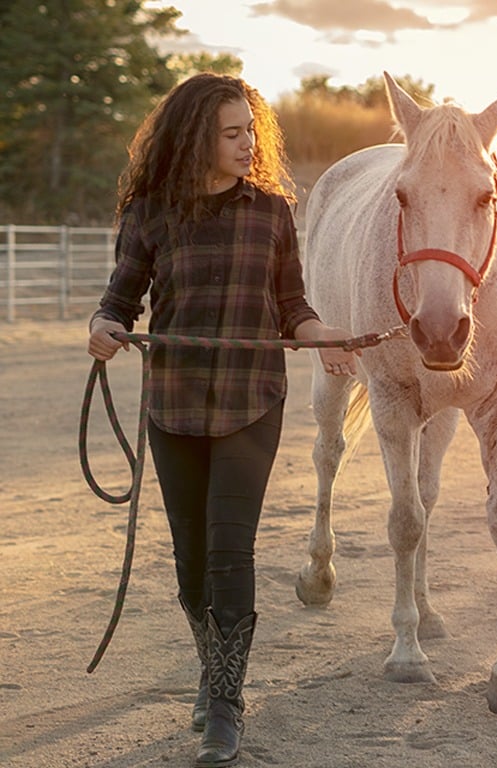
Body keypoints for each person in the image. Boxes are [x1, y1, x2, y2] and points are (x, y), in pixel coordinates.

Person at [87, 73, 359, 768]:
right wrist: (104, 326)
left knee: (230, 548)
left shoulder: (271, 212)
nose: (248, 144)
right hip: (173, 405)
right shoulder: (151, 212)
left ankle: (226, 704)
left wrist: (321, 334)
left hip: (249, 403)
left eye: (252, 132)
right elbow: (120, 299)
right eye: (231, 133)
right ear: (195, 138)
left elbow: (292, 304)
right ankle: (213, 675)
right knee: (190, 562)